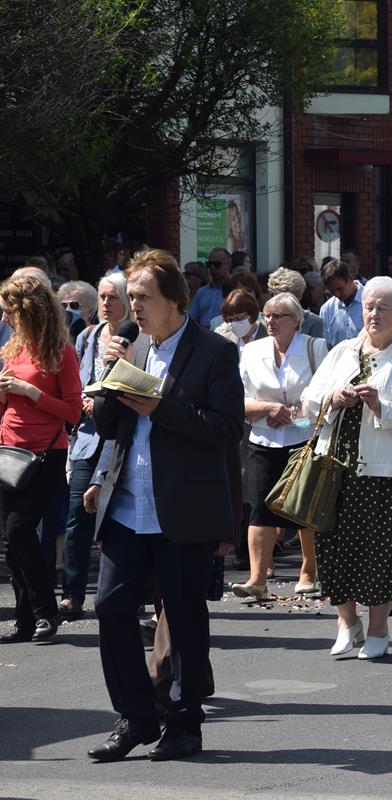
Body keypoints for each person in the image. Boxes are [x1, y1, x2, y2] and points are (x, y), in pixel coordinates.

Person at [83, 249, 243, 762]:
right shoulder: (132, 346)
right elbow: (108, 424)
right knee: (109, 607)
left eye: (143, 297)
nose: (134, 307)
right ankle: (135, 716)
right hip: (129, 503)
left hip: (183, 509)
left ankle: (185, 721)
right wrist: (113, 373)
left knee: (185, 617)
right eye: (130, 297)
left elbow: (225, 429)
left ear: (174, 299)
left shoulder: (214, 352)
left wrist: (163, 409)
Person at [300, 277, 392, 657]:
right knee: (332, 549)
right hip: (335, 467)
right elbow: (309, 399)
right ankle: (346, 623)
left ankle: (379, 629)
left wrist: (383, 407)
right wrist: (332, 397)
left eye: (383, 309)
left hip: (388, 474)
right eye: (369, 307)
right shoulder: (342, 351)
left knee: (381, 552)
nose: (373, 314)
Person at [0, 276, 83, 643]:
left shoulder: (61, 351)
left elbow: (73, 412)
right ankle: (24, 620)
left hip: (45, 453)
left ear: (27, 311)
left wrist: (31, 391)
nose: (4, 320)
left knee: (20, 530)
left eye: (8, 313)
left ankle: (45, 611)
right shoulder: (13, 347)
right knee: (10, 540)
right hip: (8, 449)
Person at [231, 293, 327, 599]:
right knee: (259, 506)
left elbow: (326, 393)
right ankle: (258, 578)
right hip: (263, 438)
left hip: (305, 438)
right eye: (267, 315)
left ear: (295, 321)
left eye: (279, 316)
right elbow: (238, 397)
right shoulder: (251, 350)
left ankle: (309, 569)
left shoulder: (315, 347)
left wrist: (291, 413)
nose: (270, 321)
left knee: (303, 508)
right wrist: (266, 410)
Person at [60, 274, 131, 621]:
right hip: (88, 437)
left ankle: (123, 593)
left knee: (117, 517)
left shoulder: (137, 336)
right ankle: (72, 594)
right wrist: (87, 397)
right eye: (102, 297)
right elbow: (77, 379)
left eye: (112, 297)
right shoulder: (88, 335)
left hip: (119, 434)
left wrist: (103, 399)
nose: (106, 304)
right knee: (77, 516)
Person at [267, 267, 324, 340]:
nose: (283, 301)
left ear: (300, 295)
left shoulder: (313, 322)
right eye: (278, 296)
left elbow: (316, 350)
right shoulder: (267, 321)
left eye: (289, 297)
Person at [319, 259, 364, 347]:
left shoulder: (370, 302)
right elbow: (325, 344)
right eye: (332, 291)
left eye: (340, 289)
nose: (337, 294)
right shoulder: (327, 309)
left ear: (350, 278)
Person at [188, 248, 231, 329]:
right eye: (209, 264)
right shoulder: (201, 292)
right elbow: (192, 319)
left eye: (217, 264)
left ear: (228, 265)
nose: (212, 268)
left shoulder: (235, 291)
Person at [214, 289, 267, 353]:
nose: (234, 323)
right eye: (230, 320)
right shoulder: (223, 338)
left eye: (239, 318)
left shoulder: (270, 336)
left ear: (252, 314)